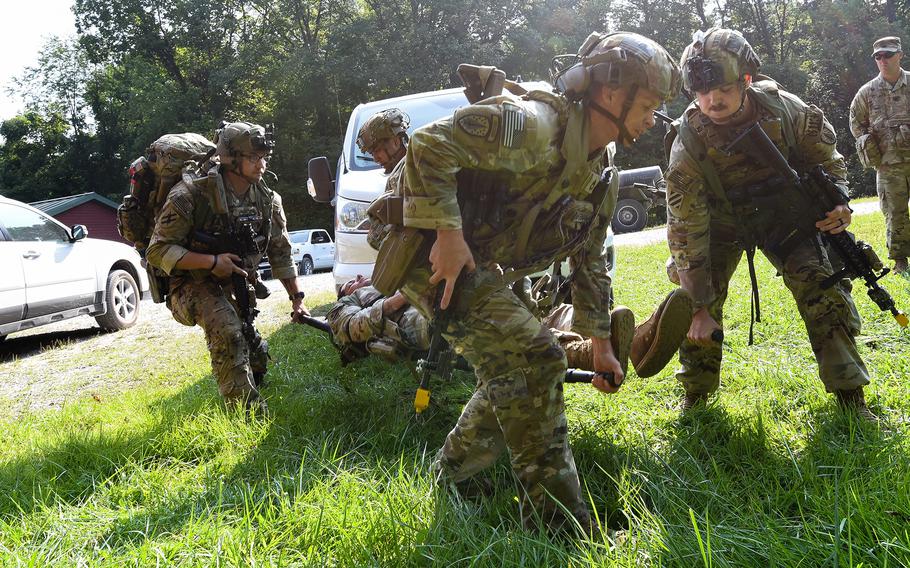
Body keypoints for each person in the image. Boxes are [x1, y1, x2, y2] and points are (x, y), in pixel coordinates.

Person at [380, 32, 681, 532]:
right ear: (609, 93)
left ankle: (452, 475)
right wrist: (448, 235)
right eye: (646, 104)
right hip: (427, 251)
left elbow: (589, 259)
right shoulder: (533, 125)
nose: (652, 118)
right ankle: (558, 525)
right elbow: (430, 145)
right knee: (536, 357)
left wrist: (600, 341)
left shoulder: (600, 169)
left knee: (512, 364)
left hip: (476, 257)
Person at [665, 28, 874, 418]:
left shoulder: (785, 110)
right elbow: (684, 225)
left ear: (745, 79)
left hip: (785, 217)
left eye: (724, 87)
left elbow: (828, 162)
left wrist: (840, 202)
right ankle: (695, 395)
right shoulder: (689, 141)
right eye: (702, 91)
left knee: (822, 286)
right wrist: (697, 307)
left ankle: (850, 395)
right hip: (719, 223)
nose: (713, 99)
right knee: (696, 300)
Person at [146, 121, 308, 411]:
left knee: (251, 347)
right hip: (188, 284)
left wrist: (297, 299)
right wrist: (211, 262)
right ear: (231, 158)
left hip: (234, 282)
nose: (262, 164)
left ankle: (254, 377)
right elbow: (157, 251)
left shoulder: (267, 199)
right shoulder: (190, 194)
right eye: (253, 157)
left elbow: (280, 251)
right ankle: (246, 413)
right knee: (227, 328)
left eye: (263, 157)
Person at [850, 36, 910, 276]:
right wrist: (869, 143)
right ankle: (900, 261)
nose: (883, 60)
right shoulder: (867, 92)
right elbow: (856, 122)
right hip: (888, 166)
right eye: (878, 56)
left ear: (900, 55)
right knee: (894, 214)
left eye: (888, 54)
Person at [326, 274, 430, 362]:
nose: (359, 276)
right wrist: (404, 296)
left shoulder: (390, 281)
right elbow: (353, 326)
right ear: (345, 295)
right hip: (411, 320)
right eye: (351, 284)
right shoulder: (347, 301)